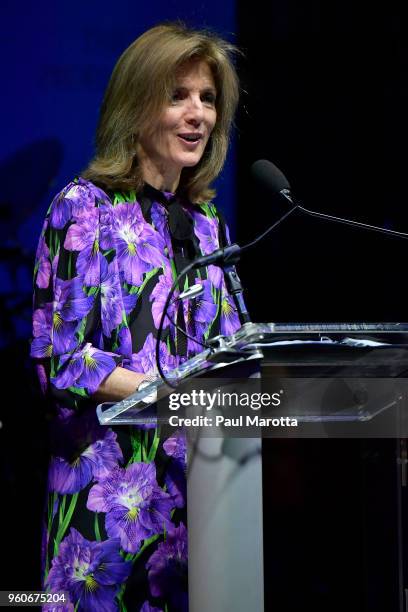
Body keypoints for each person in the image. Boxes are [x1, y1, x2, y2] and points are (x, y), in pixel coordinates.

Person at [31, 22, 241, 612]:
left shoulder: (208, 224)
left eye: (207, 98)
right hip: (106, 507)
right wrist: (171, 394)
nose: (198, 112)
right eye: (178, 95)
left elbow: (230, 353)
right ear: (136, 104)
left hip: (200, 500)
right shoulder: (84, 211)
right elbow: (64, 363)